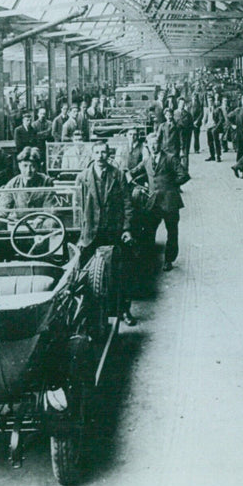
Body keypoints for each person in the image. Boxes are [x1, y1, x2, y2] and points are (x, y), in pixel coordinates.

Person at [76, 141, 136, 326]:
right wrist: (80, 234)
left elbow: (127, 203)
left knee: (119, 273)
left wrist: (127, 229)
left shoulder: (117, 175)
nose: (101, 156)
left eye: (104, 153)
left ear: (109, 155)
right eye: (97, 152)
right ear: (92, 155)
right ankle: (89, 315)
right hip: (90, 233)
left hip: (113, 231)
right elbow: (77, 208)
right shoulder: (83, 177)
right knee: (86, 274)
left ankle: (123, 311)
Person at [130, 133, 190, 272]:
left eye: (156, 143)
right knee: (149, 231)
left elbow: (184, 175)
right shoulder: (147, 161)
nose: (153, 146)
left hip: (170, 203)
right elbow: (134, 171)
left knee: (172, 232)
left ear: (160, 144)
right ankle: (149, 259)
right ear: (147, 146)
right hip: (154, 203)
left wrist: (171, 185)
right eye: (150, 144)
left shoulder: (170, 159)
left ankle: (169, 260)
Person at [201, 95, 223, 162]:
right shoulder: (207, 109)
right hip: (209, 127)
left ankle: (218, 156)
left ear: (213, 101)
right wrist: (204, 125)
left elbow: (221, 119)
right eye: (208, 101)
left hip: (215, 127)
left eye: (211, 101)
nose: (210, 102)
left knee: (216, 142)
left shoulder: (217, 109)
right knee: (209, 142)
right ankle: (212, 155)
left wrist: (216, 127)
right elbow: (204, 119)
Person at [173, 97, 193, 168]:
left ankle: (185, 170)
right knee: (176, 153)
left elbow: (191, 125)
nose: (182, 105)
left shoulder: (188, 114)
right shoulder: (174, 113)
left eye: (183, 103)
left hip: (185, 136)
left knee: (185, 153)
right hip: (176, 136)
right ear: (178, 104)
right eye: (180, 103)